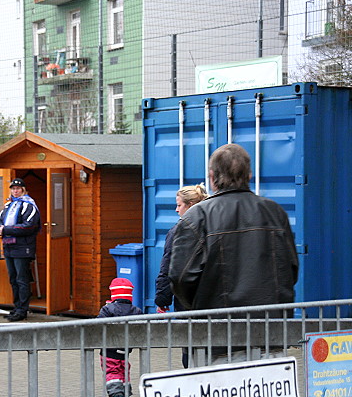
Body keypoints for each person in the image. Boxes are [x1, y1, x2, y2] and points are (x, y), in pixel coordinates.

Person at [168, 144, 299, 364]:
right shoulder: (276, 213)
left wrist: (202, 308)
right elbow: (290, 271)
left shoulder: (196, 217)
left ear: (212, 178)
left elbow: (180, 278)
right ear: (249, 175)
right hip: (269, 337)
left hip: (215, 340)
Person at [154, 183, 208, 313]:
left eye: (179, 205)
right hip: (213, 299)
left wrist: (162, 300)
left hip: (187, 300)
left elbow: (168, 267)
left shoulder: (177, 232)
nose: (176, 210)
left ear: (190, 205)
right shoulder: (215, 226)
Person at [0, 178, 40, 322]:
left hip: (23, 247)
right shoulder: (8, 205)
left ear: (24, 190)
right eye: (13, 189)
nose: (15, 191)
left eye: (18, 189)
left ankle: (22, 310)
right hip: (8, 246)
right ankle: (16, 307)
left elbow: (28, 226)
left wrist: (6, 229)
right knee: (13, 279)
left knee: (22, 279)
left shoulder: (29, 206)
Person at [97, 278, 142, 397]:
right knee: (123, 368)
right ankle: (126, 390)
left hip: (109, 350)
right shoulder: (136, 311)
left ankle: (116, 392)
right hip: (125, 349)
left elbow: (97, 325)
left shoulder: (107, 309)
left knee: (112, 370)